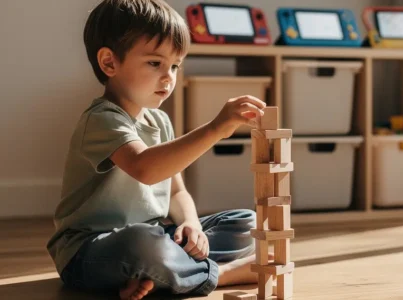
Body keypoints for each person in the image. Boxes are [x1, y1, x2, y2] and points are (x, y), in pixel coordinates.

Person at [46, 0, 267, 299]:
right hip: (88, 251)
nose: (169, 77)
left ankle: (159, 273)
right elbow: (145, 168)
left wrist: (190, 223)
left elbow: (176, 192)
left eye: (175, 65)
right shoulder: (101, 119)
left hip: (152, 240)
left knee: (245, 221)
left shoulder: (160, 120)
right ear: (109, 63)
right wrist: (217, 127)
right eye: (155, 63)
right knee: (142, 243)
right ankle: (220, 274)